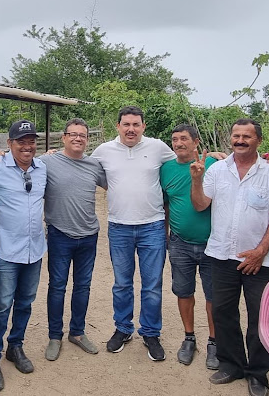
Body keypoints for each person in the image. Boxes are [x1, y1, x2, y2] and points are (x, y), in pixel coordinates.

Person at [190, 118, 269, 396]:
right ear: (230, 138)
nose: (240, 140)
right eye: (236, 135)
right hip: (221, 255)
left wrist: (260, 251)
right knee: (223, 312)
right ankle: (231, 365)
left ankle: (257, 373)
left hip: (260, 260)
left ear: (259, 140)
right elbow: (200, 205)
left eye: (247, 136)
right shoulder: (217, 170)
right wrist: (196, 180)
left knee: (259, 317)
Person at [91, 106, 175, 361]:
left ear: (143, 126)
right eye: (126, 124)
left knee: (152, 285)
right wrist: (53, 154)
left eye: (136, 124)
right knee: (122, 284)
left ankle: (150, 332)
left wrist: (212, 155)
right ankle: (123, 328)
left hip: (153, 226)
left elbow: (183, 161)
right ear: (118, 126)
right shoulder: (104, 151)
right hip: (119, 227)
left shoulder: (158, 147)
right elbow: (80, 165)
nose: (131, 129)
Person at [0, 120, 47, 392]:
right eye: (21, 141)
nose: (27, 146)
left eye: (31, 141)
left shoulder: (42, 168)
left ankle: (15, 346)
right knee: (2, 304)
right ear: (9, 144)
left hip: (34, 250)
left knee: (26, 302)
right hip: (6, 251)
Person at [42, 118, 107, 361]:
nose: (78, 138)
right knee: (57, 286)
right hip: (60, 234)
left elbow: (117, 184)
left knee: (83, 286)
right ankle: (54, 336)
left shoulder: (94, 165)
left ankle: (77, 332)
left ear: (87, 140)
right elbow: (20, 164)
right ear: (64, 138)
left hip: (89, 235)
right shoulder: (47, 162)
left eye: (83, 135)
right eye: (73, 134)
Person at [159, 124, 218, 369]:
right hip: (179, 242)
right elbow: (166, 205)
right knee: (183, 292)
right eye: (175, 139)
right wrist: (166, 236)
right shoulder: (166, 169)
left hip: (212, 244)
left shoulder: (214, 164)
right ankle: (189, 337)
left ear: (196, 142)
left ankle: (214, 341)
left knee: (213, 295)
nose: (179, 143)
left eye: (184, 138)